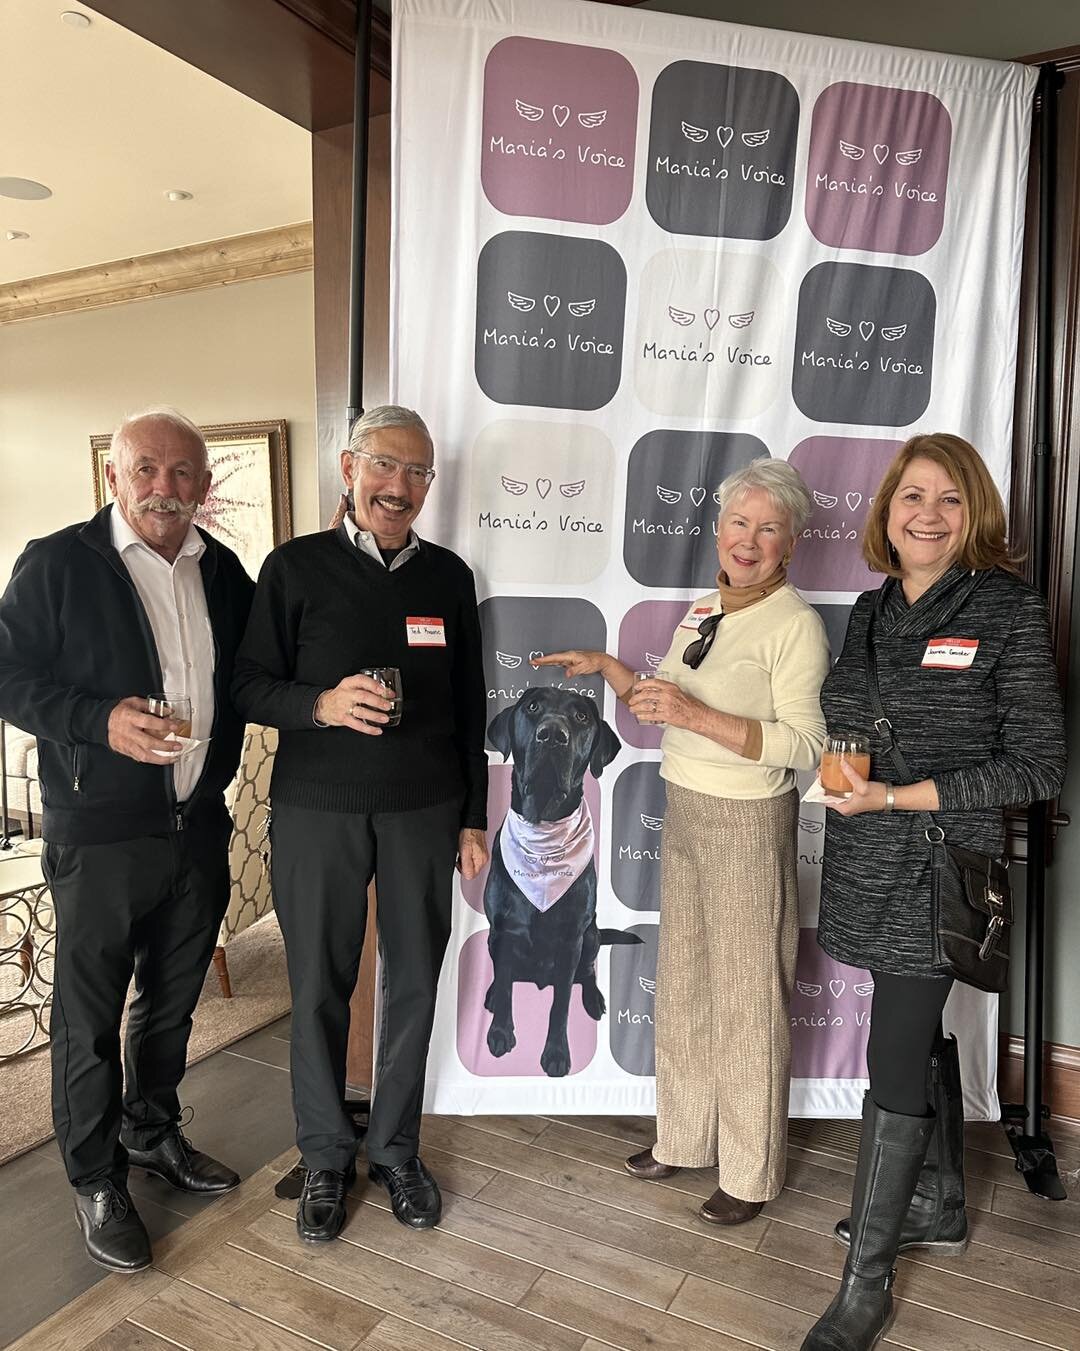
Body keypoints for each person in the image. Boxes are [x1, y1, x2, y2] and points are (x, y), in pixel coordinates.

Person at [801, 434, 1067, 1351]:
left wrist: (902, 792)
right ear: (887, 510)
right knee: (914, 1033)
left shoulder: (1007, 609)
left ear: (975, 514)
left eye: (950, 500)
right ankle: (940, 1203)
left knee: (894, 1046)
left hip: (940, 864)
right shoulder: (873, 608)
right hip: (866, 851)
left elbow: (1035, 764)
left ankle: (864, 1283)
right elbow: (847, 712)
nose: (927, 514)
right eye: (913, 495)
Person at [537, 458, 829, 1224]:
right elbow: (659, 702)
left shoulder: (795, 623)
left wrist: (698, 717)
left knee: (747, 1000)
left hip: (747, 821)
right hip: (688, 807)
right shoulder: (706, 610)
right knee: (690, 984)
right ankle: (686, 1135)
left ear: (790, 543)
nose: (749, 539)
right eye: (739, 522)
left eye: (768, 528)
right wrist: (608, 668)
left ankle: (750, 1169)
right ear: (719, 528)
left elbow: (805, 744)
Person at [0, 408, 254, 1273]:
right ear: (115, 476)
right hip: (99, 833)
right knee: (88, 1012)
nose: (165, 488)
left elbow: (253, 673)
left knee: (174, 1001)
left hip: (196, 824)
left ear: (203, 487)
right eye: (147, 469)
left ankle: (152, 1131)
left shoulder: (222, 570)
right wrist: (96, 721)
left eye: (184, 474)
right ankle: (95, 1173)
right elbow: (10, 676)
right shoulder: (58, 562)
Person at [232, 404, 488, 1242]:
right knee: (318, 988)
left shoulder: (449, 576)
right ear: (349, 470)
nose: (401, 486)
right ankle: (324, 1157)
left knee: (414, 980)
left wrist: (474, 816)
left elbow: (469, 704)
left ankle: (397, 1150)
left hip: (425, 809)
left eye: (418, 472)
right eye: (386, 465)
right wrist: (323, 703)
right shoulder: (293, 568)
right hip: (318, 811)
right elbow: (249, 686)